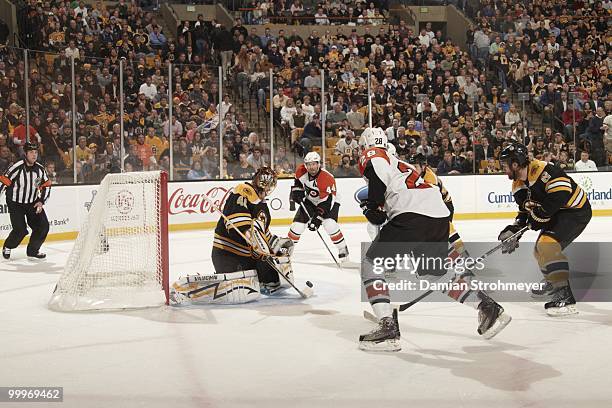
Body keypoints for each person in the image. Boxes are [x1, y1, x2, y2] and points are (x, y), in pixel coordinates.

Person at [357, 127, 510, 351]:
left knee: (371, 265)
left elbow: (376, 174)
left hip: (411, 215)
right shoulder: (401, 164)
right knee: (432, 273)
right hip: (437, 216)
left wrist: (372, 205)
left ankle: (387, 327)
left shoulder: (373, 155)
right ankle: (486, 306)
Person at [169, 167, 295, 304]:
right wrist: (255, 240)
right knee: (243, 286)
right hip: (228, 255)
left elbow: (263, 235)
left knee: (273, 277)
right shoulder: (243, 192)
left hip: (247, 257)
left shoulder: (262, 204)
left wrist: (277, 244)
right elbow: (239, 225)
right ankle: (193, 291)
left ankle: (265, 280)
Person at [497, 143, 591, 316]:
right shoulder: (518, 184)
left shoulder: (545, 170)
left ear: (515, 164)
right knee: (539, 251)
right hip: (558, 214)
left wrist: (540, 216)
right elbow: (525, 210)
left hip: (575, 211)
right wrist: (515, 229)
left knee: (547, 246)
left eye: (505, 165)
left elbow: (560, 197)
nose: (503, 169)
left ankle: (566, 300)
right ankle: (553, 281)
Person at [288, 152, 349, 263]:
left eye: (314, 164)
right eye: (309, 164)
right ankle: (287, 250)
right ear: (305, 165)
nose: (311, 167)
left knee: (329, 224)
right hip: (310, 200)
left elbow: (327, 202)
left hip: (330, 201)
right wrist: (297, 191)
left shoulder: (326, 178)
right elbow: (297, 182)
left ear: (319, 164)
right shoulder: (301, 171)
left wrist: (317, 219)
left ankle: (342, 249)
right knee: (297, 226)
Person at [0, 142, 51, 260]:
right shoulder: (16, 167)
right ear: (25, 153)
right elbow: (3, 182)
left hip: (32, 202)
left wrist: (41, 201)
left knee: (43, 226)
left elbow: (47, 185)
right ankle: (8, 245)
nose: (34, 155)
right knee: (20, 230)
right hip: (15, 203)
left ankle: (33, 251)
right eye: (31, 152)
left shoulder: (40, 169)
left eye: (36, 152)